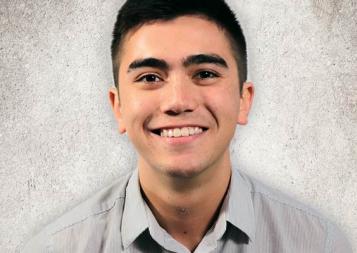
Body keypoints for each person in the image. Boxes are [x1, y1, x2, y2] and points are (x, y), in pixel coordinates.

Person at [22, 0, 352, 252]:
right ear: (118, 107)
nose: (178, 101)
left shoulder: (320, 243)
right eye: (150, 77)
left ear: (243, 99)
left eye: (205, 73)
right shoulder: (55, 247)